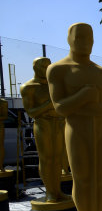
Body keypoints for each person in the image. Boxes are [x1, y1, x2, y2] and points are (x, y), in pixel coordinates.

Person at [47, 22, 102, 211]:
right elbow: (60, 107)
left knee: (100, 180)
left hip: (99, 131)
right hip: (76, 130)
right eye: (79, 38)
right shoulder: (59, 70)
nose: (85, 43)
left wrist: (88, 106)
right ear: (69, 40)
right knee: (83, 179)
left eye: (89, 38)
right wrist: (84, 96)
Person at [21, 57, 69, 202]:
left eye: (48, 66)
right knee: (47, 158)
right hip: (43, 124)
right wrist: (49, 105)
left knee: (57, 158)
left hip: (58, 123)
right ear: (35, 68)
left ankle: (57, 191)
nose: (46, 69)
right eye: (43, 67)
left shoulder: (54, 85)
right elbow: (31, 112)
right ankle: (50, 192)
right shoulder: (29, 87)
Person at [0, 98, 8, 172]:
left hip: (0, 126)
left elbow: (5, 116)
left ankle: (1, 166)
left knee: (0, 146)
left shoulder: (3, 102)